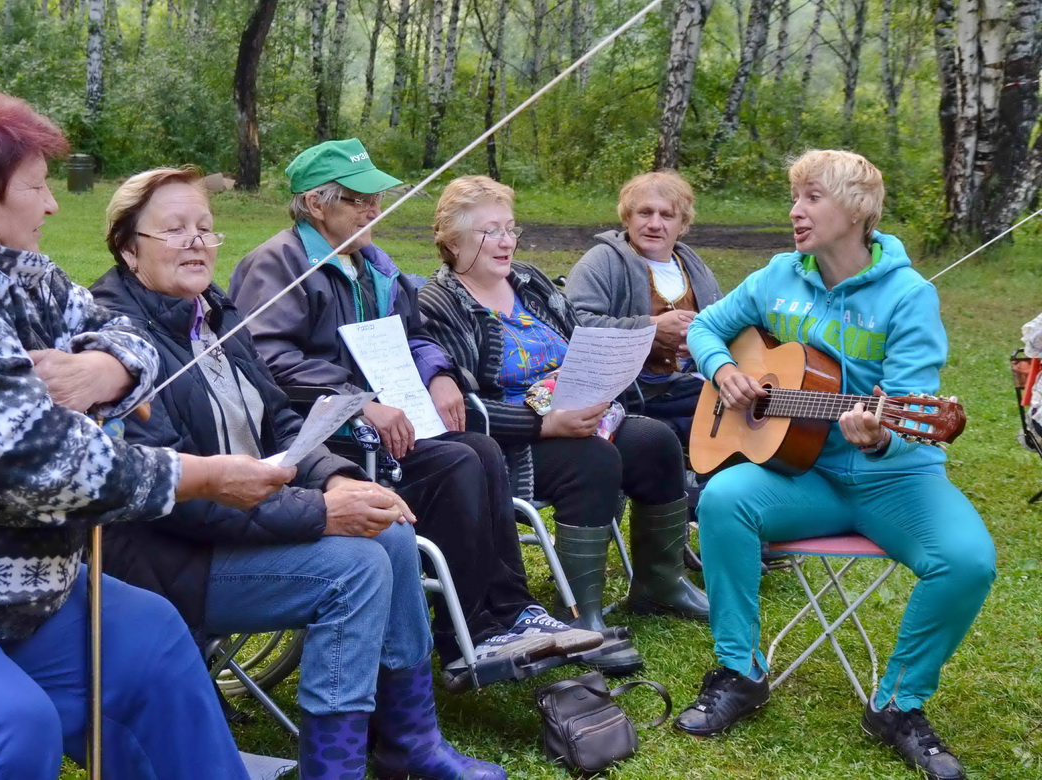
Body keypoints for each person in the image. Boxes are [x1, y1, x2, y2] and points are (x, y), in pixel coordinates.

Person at [0, 85, 291, 778]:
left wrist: (105, 369)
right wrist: (202, 476)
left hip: (12, 589)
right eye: (39, 185)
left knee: (147, 646)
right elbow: (49, 470)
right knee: (0, 730)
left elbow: (118, 326)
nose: (53, 204)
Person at [90, 166, 504, 780]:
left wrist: (335, 477)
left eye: (205, 228)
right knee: (355, 566)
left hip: (243, 521)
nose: (197, 242)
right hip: (167, 558)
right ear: (128, 248)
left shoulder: (216, 316)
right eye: (174, 230)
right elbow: (175, 495)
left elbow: (283, 423)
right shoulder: (115, 342)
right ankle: (333, 769)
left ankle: (408, 741)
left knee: (388, 535)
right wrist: (321, 511)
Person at [228, 139, 602, 682]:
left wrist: (439, 374)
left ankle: (510, 611)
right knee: (456, 463)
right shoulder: (280, 262)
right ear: (315, 204)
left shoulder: (373, 261)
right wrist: (362, 402)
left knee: (481, 448)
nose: (374, 210)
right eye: (359, 200)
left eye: (375, 198)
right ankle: (468, 633)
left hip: (386, 425)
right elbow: (267, 356)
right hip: (322, 436)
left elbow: (416, 334)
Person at [674, 150, 996, 780]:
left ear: (856, 209)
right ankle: (740, 670)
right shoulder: (776, 276)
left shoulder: (908, 297)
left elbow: (911, 409)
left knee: (967, 561)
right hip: (804, 476)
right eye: (795, 198)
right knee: (722, 499)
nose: (796, 211)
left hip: (895, 480)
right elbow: (705, 329)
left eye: (812, 197)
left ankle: (899, 704)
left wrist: (878, 439)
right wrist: (727, 372)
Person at [416, 176, 708, 676]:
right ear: (453, 240)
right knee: (593, 459)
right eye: (490, 232)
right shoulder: (439, 303)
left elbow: (582, 338)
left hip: (580, 415)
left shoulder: (528, 281)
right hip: (512, 442)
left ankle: (660, 583)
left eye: (510, 229)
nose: (506, 242)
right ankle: (584, 613)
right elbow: (462, 407)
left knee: (656, 440)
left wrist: (609, 369)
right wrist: (546, 424)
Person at [565, 171, 723, 444]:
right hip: (634, 389)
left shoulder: (694, 267)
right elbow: (572, 325)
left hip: (691, 381)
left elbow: (724, 322)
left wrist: (702, 339)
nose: (654, 224)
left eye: (666, 215)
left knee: (743, 396)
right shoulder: (602, 261)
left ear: (682, 224)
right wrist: (651, 328)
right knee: (725, 404)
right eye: (645, 213)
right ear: (628, 218)